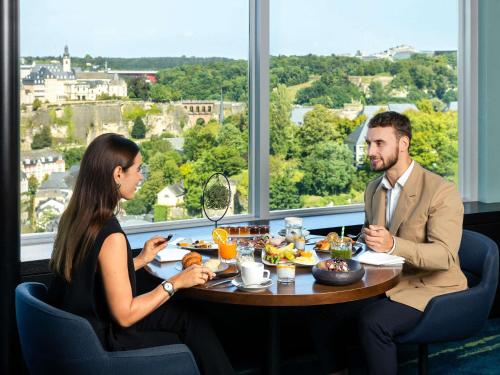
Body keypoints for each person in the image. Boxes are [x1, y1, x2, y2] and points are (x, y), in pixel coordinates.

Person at [47, 133, 234, 375]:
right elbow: (124, 316)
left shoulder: (76, 217)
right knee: (192, 323)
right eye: (137, 169)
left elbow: (90, 277)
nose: (141, 176)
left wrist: (140, 260)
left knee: (190, 318)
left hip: (77, 336)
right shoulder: (111, 235)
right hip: (102, 343)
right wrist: (175, 283)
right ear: (117, 174)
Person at [309, 111, 467, 375]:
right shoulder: (373, 188)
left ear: (403, 144)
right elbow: (367, 238)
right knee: (323, 308)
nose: (370, 150)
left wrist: (393, 244)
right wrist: (341, 247)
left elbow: (445, 256)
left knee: (373, 322)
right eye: (369, 143)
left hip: (431, 288)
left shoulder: (441, 190)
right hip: (386, 282)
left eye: (379, 143)